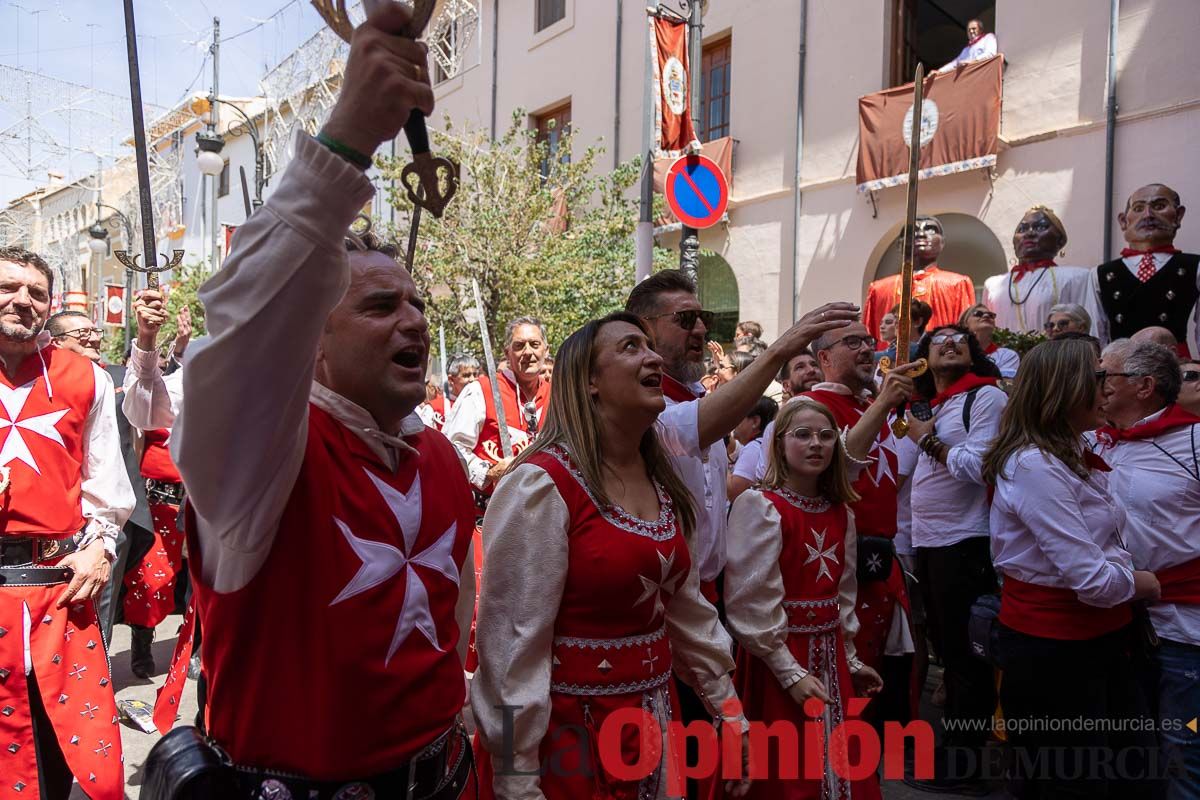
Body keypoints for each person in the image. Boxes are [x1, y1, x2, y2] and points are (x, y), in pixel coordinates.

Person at [159, 8, 478, 796]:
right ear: (313, 342)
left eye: (415, 305)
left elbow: (454, 626)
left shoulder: (439, 456)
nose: (411, 320)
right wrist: (344, 140)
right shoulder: (263, 464)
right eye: (376, 308)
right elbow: (245, 329)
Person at [471, 312, 750, 799]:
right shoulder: (541, 486)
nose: (654, 357)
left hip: (653, 727)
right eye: (630, 348)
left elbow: (687, 613)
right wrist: (517, 781)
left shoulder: (665, 487)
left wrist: (730, 714)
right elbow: (513, 649)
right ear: (590, 382)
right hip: (568, 744)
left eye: (650, 346)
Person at [626, 270, 857, 796]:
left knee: (710, 752)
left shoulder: (693, 396)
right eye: (685, 319)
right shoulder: (647, 408)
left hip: (706, 601)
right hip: (658, 606)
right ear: (642, 328)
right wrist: (779, 352)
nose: (701, 330)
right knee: (669, 754)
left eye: (704, 319)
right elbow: (695, 426)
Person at [983, 338, 1162, 799]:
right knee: (1072, 782)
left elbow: (1106, 546)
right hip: (1055, 655)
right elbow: (1093, 580)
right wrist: (1144, 584)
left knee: (1129, 772)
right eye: (1099, 378)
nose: (1107, 389)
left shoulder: (1070, 452)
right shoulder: (1033, 465)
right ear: (1066, 389)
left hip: (1097, 644)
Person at [0, 246, 134, 800]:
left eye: (36, 292)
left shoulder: (86, 379)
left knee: (58, 756)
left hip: (58, 593)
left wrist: (101, 546)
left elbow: (108, 487)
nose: (22, 301)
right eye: (9, 287)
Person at [724, 397, 883, 800]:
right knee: (787, 769)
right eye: (803, 435)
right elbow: (747, 602)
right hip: (778, 658)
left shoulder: (840, 511)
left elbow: (843, 593)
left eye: (827, 436)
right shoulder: (760, 506)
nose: (816, 444)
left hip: (830, 656)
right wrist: (788, 672)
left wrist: (850, 658)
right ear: (778, 444)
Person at [901, 324, 1005, 794]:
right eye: (938, 339)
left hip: (966, 541)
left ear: (973, 355)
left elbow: (978, 466)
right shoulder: (927, 406)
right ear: (924, 356)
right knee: (948, 653)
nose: (948, 343)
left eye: (959, 340)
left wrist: (927, 440)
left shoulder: (985, 398)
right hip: (928, 542)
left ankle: (964, 767)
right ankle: (952, 754)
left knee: (966, 658)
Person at [1094, 339, 1200, 799]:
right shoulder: (1095, 439)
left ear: (1144, 386)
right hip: (1115, 622)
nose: (1095, 386)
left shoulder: (1194, 440)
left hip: (1185, 630)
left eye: (1104, 377)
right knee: (1127, 750)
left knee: (1183, 750)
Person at [801, 322, 918, 734]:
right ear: (824, 358)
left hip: (880, 563)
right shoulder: (811, 408)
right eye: (853, 342)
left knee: (879, 680)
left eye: (869, 340)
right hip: (839, 569)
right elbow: (838, 472)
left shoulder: (870, 404)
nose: (868, 349)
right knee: (844, 684)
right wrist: (883, 403)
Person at [120, 289, 188, 679]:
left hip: (197, 501)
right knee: (152, 578)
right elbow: (143, 399)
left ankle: (196, 648)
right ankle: (143, 645)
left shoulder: (201, 387)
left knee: (202, 581)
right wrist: (147, 342)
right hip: (157, 498)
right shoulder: (153, 391)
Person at [443, 316, 551, 496]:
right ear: (507, 352)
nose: (527, 352)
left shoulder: (558, 394)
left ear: (546, 351)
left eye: (534, 344)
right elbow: (452, 448)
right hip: (490, 513)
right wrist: (489, 472)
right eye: (519, 346)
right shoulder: (480, 391)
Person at [1093, 184, 1197, 357]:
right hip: (1122, 367)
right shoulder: (1100, 274)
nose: (1148, 215)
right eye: (1138, 208)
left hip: (1174, 364)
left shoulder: (1194, 267)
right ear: (1123, 221)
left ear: (1178, 215)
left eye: (1159, 206)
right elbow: (1097, 333)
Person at [984, 206, 1099, 335]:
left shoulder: (1077, 277)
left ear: (1060, 240)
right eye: (1022, 229)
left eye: (1040, 227)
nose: (1029, 233)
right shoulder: (993, 284)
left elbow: (1092, 326)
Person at [863, 217, 975, 341]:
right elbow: (868, 337)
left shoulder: (958, 283)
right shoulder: (878, 289)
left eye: (931, 230)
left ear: (942, 242)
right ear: (900, 244)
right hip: (888, 359)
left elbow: (967, 333)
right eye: (912, 231)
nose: (921, 234)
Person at [727, 395, 778, 503]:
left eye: (739, 417)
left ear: (755, 422)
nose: (734, 422)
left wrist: (720, 462)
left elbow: (734, 492)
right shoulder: (766, 445)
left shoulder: (754, 448)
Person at [959, 303, 1019, 378]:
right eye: (978, 314)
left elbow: (1004, 386)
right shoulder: (955, 353)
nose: (986, 316)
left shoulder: (1007, 355)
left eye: (991, 315)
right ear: (965, 323)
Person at [875, 300, 932, 367]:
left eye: (900, 318)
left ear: (918, 322)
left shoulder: (930, 346)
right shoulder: (896, 345)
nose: (895, 322)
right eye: (895, 318)